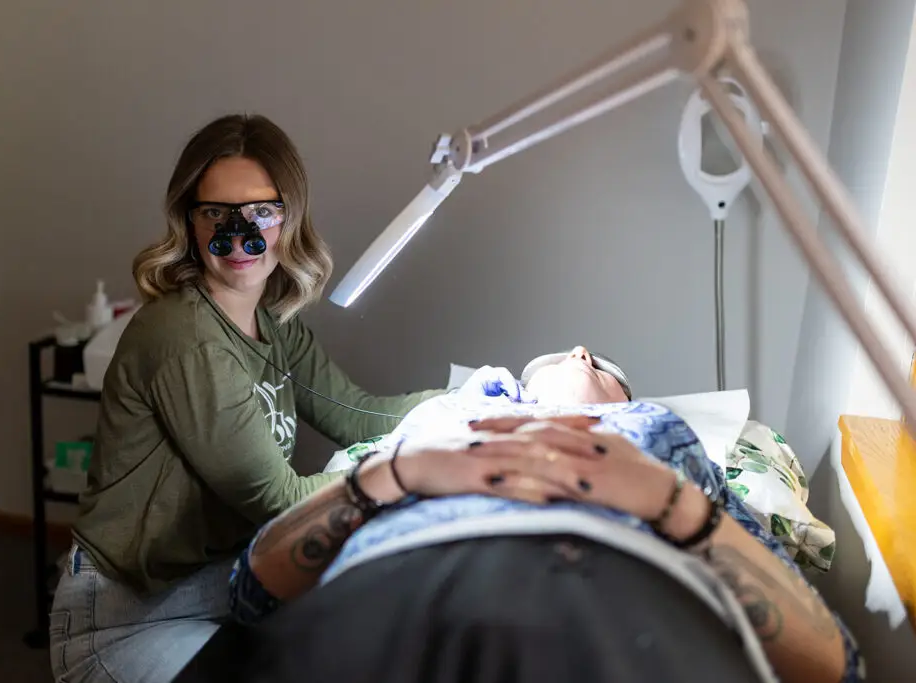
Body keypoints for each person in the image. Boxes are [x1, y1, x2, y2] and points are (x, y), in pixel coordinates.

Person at [48, 114, 527, 683]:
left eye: (261, 212)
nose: (239, 235)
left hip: (212, 584)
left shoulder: (272, 324)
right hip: (124, 619)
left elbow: (360, 415)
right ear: (190, 221)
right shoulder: (186, 339)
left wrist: (484, 400)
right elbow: (280, 502)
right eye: (216, 214)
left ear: (289, 216)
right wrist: (413, 466)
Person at [220, 346, 863, 683]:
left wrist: (676, 505)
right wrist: (394, 474)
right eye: (565, 356)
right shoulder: (438, 424)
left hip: (626, 599)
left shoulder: (658, 432)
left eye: (606, 370)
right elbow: (251, 595)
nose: (581, 355)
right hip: (393, 589)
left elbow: (838, 669)